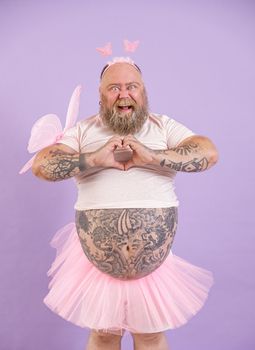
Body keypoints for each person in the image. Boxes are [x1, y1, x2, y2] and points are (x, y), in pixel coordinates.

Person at [32, 57, 219, 350]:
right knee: (104, 335)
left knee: (150, 336)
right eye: (114, 87)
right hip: (94, 269)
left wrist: (152, 156)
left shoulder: (163, 127)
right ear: (100, 94)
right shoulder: (83, 131)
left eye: (132, 86)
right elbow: (42, 165)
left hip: (155, 269)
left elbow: (208, 153)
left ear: (143, 92)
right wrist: (95, 159)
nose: (123, 94)